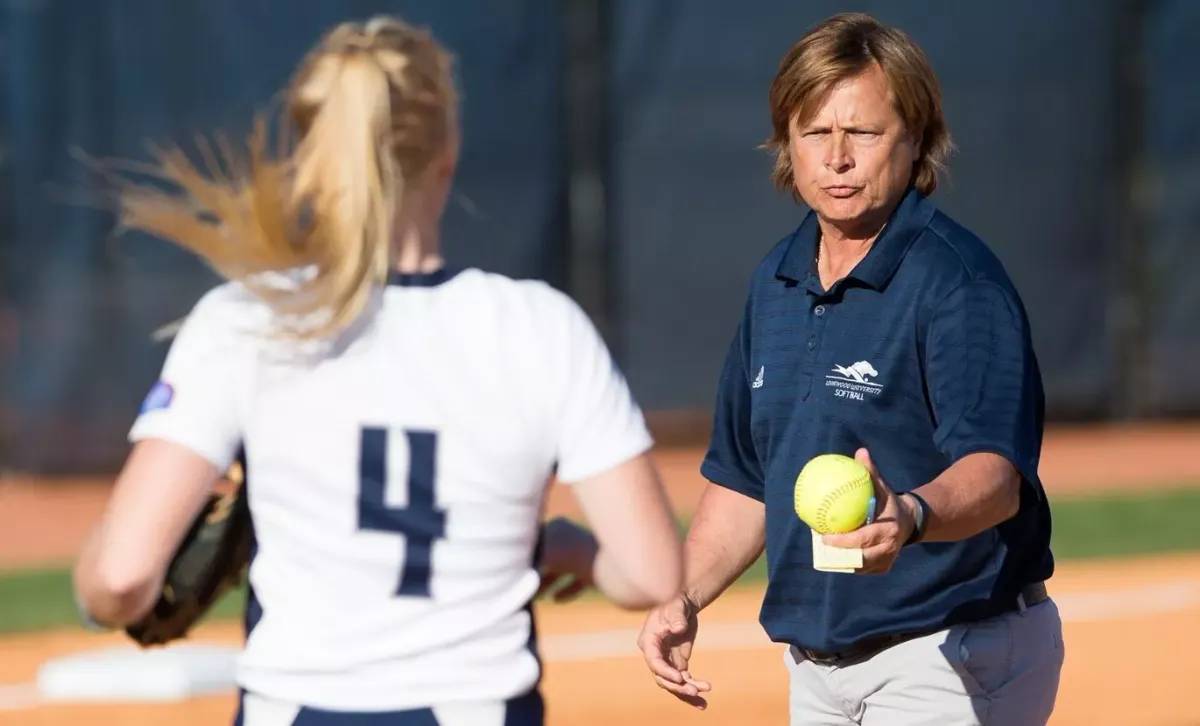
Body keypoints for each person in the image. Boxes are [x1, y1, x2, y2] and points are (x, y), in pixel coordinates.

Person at [72, 15, 683, 726]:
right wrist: (563, 547)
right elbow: (650, 573)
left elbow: (119, 579)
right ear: (447, 150)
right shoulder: (540, 326)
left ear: (312, 154)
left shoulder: (246, 320)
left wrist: (101, 588)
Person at [636, 12, 1063, 726]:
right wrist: (683, 595)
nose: (836, 158)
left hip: (949, 654)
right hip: (819, 671)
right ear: (787, 145)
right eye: (814, 133)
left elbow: (995, 476)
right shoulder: (776, 279)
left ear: (917, 140)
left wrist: (912, 515)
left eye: (862, 133)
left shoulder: (957, 283)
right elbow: (746, 480)